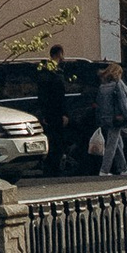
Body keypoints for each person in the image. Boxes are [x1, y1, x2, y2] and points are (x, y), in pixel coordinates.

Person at [92, 64, 127, 178]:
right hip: (117, 119)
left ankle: (123, 168)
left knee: (117, 144)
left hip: (106, 119)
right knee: (112, 145)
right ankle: (104, 170)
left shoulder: (103, 86)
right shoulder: (118, 85)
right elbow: (123, 103)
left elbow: (99, 104)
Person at [36, 41, 69, 181]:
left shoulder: (45, 72)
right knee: (56, 141)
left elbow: (42, 95)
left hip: (50, 112)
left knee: (53, 141)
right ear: (59, 54)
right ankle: (52, 169)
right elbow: (59, 96)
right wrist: (64, 113)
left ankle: (51, 168)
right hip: (55, 112)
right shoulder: (54, 73)